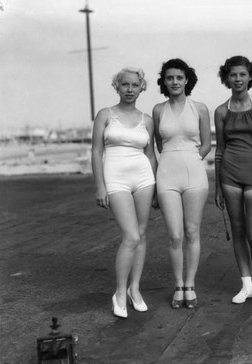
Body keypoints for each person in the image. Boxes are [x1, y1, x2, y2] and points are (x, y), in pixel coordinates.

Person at [92, 67, 157, 318]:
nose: (130, 89)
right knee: (130, 235)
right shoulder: (105, 115)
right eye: (125, 85)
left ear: (142, 88)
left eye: (135, 85)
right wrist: (100, 186)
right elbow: (97, 152)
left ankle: (135, 289)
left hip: (143, 178)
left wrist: (156, 190)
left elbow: (150, 155)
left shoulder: (147, 120)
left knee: (140, 233)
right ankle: (119, 292)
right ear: (116, 86)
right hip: (115, 178)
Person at [214, 55, 252, 304]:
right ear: (226, 78)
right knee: (237, 231)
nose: (237, 79)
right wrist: (217, 187)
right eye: (233, 75)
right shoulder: (220, 111)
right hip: (229, 172)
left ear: (250, 76)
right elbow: (220, 150)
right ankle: (246, 284)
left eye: (242, 74)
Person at [152, 59, 211, 309]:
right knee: (175, 235)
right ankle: (178, 286)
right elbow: (158, 143)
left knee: (192, 231)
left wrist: (194, 159)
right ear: (164, 82)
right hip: (167, 174)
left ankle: (190, 284)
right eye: (170, 78)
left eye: (179, 77)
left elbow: (207, 142)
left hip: (194, 173)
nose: (175, 82)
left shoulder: (200, 108)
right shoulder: (158, 110)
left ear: (187, 79)